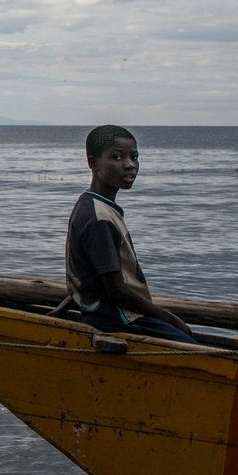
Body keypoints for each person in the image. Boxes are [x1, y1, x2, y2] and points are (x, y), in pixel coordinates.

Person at [48, 124, 197, 342]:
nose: (129, 165)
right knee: (192, 347)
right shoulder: (100, 218)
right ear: (93, 163)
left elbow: (88, 276)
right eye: (117, 158)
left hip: (107, 315)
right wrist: (171, 319)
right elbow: (116, 291)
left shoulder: (89, 204)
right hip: (119, 319)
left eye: (134, 157)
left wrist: (62, 308)